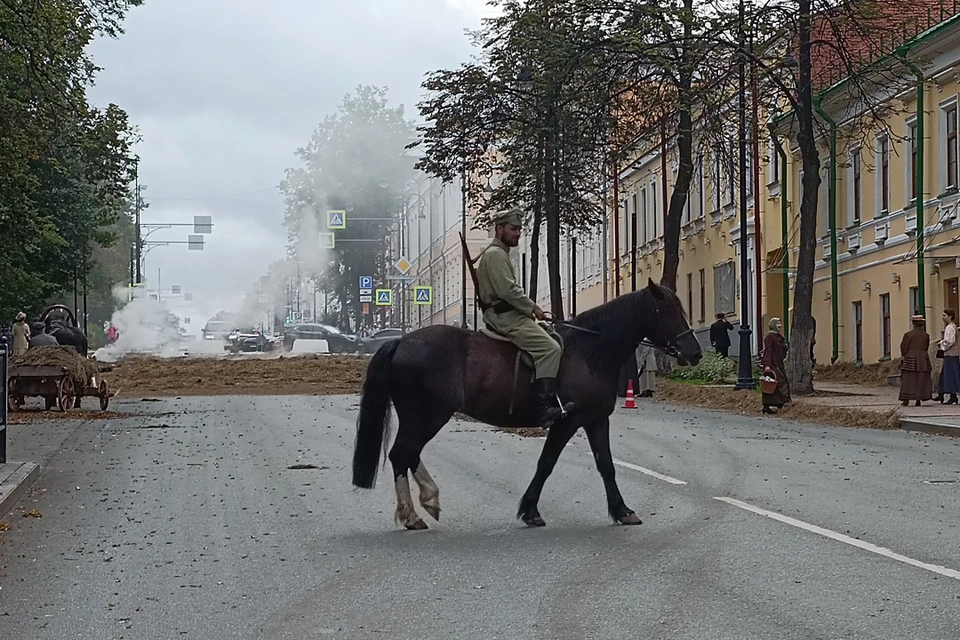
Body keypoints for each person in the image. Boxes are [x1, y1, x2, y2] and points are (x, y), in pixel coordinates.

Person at [476, 208, 575, 428]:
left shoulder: (499, 253)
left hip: (508, 314)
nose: (518, 233)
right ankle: (544, 409)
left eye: (520, 229)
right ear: (499, 228)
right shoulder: (495, 255)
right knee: (550, 349)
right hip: (505, 317)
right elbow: (508, 291)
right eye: (513, 229)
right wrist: (533, 308)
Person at [899, 314, 932, 407]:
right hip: (923, 359)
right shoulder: (926, 335)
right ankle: (919, 398)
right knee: (921, 378)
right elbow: (926, 347)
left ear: (913, 323)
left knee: (908, 379)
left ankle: (906, 399)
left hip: (910, 358)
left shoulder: (908, 334)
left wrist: (905, 355)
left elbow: (903, 347)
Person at [761, 317, 791, 414]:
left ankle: (772, 404)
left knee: (773, 385)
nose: (780, 325)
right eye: (778, 323)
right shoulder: (770, 337)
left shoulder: (778, 337)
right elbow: (768, 351)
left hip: (778, 363)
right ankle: (785, 402)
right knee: (781, 383)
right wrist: (767, 365)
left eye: (780, 323)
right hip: (773, 364)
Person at [939, 308, 960, 405]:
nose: (943, 318)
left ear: (950, 316)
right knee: (949, 375)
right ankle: (952, 395)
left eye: (944, 316)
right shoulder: (952, 327)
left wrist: (942, 345)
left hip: (950, 354)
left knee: (952, 375)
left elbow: (950, 341)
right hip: (952, 354)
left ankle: (953, 395)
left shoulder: (950, 328)